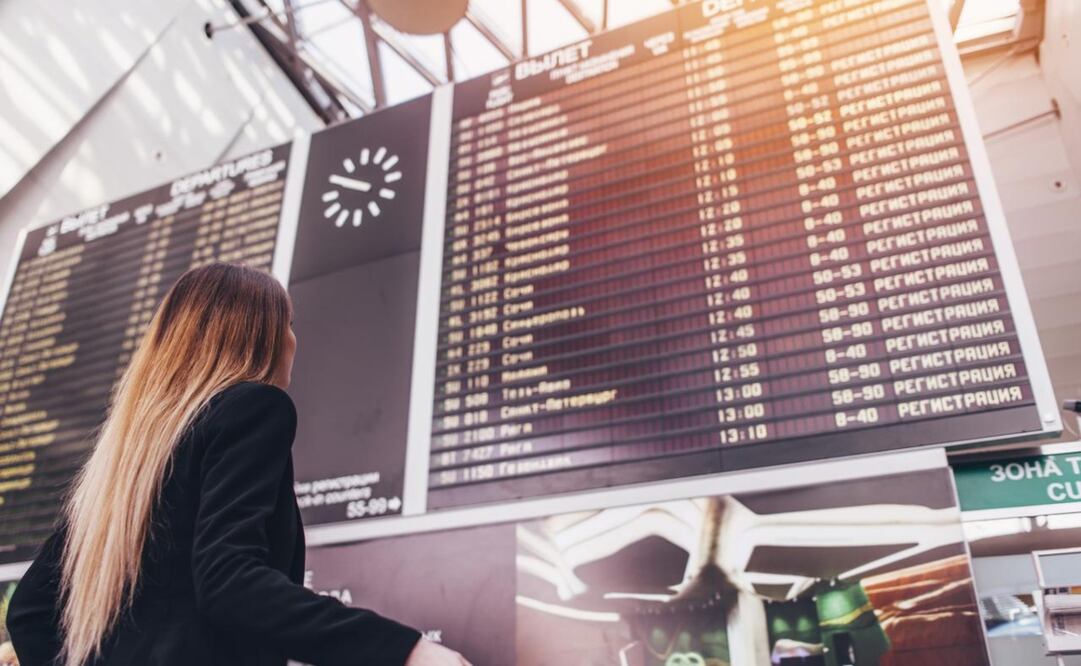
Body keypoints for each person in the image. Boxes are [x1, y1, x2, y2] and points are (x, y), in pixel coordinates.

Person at [5, 263, 471, 666]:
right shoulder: (256, 407)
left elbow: (28, 609)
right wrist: (405, 650)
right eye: (288, 322)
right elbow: (229, 582)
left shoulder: (130, 458)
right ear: (260, 334)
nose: (294, 340)